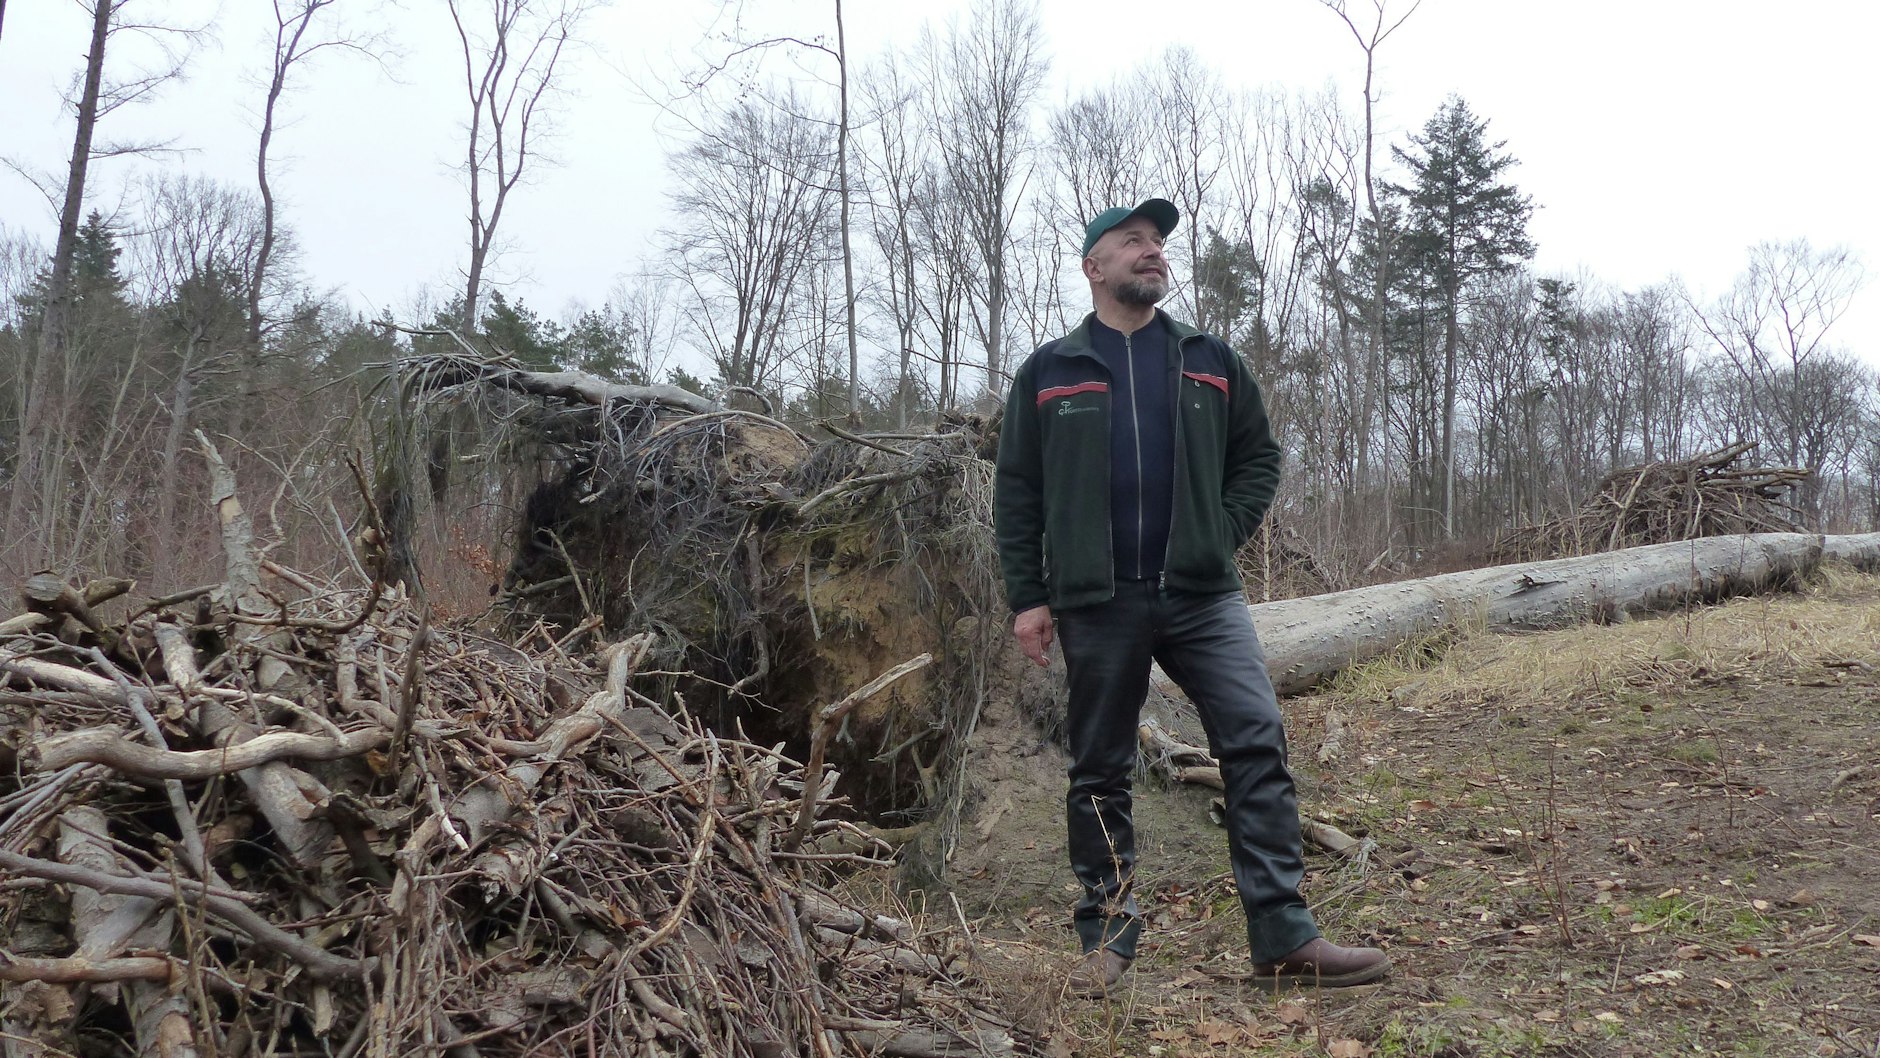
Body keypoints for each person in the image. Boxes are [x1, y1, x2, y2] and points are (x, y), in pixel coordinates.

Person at [992, 198, 1390, 995]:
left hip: (1203, 596)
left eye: (1158, 242)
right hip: (1095, 601)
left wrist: (1216, 532)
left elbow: (1260, 459)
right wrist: (1029, 598)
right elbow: (1018, 493)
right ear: (1092, 267)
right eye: (1131, 241)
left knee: (1255, 737)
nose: (1152, 251)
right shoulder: (1050, 372)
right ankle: (1106, 940)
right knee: (1100, 768)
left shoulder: (1209, 359)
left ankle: (1283, 937)